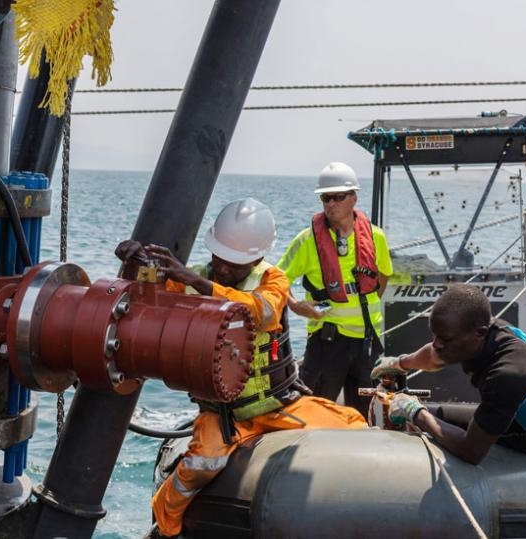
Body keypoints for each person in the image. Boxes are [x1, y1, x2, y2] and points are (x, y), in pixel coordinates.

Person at [117, 198, 368, 538]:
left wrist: (200, 284)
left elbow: (260, 312)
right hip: (223, 414)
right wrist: (135, 266)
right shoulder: (192, 280)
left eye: (234, 265)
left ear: (256, 258)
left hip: (276, 405)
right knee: (200, 466)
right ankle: (165, 528)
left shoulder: (272, 280)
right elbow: (150, 296)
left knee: (355, 426)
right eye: (219, 259)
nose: (223, 269)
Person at [371, 283, 526, 465]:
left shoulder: (507, 375)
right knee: (431, 414)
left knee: (425, 419)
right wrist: (400, 363)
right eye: (435, 335)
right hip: (516, 413)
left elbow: (471, 451)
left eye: (445, 338)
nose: (437, 343)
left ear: (479, 334)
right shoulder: (486, 330)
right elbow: (434, 355)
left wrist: (415, 413)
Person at [277, 162, 393, 411]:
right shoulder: (307, 240)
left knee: (362, 413)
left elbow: (383, 277)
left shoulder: (376, 238)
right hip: (326, 342)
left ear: (354, 198)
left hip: (367, 344)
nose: (330, 204)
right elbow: (275, 280)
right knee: (316, 411)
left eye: (338, 197)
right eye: (325, 198)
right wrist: (297, 306)